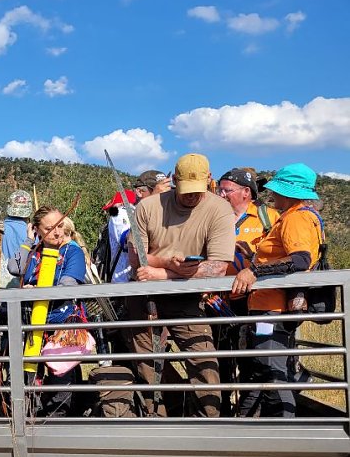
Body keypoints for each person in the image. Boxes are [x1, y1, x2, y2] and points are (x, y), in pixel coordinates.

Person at [128, 153, 235, 418]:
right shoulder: (148, 207)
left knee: (203, 361)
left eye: (197, 189)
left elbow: (218, 267)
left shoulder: (220, 209)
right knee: (149, 365)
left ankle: (208, 421)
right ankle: (162, 419)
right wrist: (169, 263)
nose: (191, 195)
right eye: (185, 189)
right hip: (145, 296)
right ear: (174, 180)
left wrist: (163, 274)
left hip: (188, 297)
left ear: (209, 180)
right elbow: (137, 259)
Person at [231, 163, 324, 418]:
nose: (272, 195)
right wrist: (253, 255)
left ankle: (285, 428)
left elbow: (301, 259)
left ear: (287, 192)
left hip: (272, 308)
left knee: (272, 370)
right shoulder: (298, 215)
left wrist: (254, 271)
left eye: (276, 190)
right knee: (264, 368)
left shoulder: (296, 218)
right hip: (270, 306)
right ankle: (249, 423)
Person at [8, 207, 88, 416]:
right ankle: (28, 420)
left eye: (60, 226)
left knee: (60, 378)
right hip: (32, 324)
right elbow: (14, 268)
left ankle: (59, 423)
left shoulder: (72, 251)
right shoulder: (34, 252)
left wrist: (36, 291)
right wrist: (28, 240)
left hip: (60, 325)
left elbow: (68, 285)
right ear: (37, 229)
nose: (57, 232)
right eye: (50, 228)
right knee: (28, 377)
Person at [214, 168, 279, 415]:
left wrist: (251, 258)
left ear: (246, 192)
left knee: (254, 359)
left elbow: (281, 256)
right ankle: (221, 410)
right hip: (217, 301)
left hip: (256, 301)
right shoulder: (213, 216)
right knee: (220, 358)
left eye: (226, 190)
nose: (221, 195)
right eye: (219, 189)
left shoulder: (268, 217)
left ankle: (251, 413)